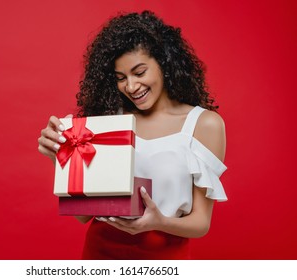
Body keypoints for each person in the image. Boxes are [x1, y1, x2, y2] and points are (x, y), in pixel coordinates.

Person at [38, 10, 227, 259]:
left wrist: (158, 222)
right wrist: (58, 156)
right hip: (100, 254)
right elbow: (84, 214)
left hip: (164, 258)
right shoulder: (109, 122)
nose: (130, 86)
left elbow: (201, 223)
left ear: (165, 64)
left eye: (139, 73)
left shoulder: (204, 125)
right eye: (120, 78)